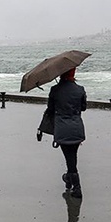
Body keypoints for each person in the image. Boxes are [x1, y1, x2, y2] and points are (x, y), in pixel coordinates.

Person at [45, 67, 86, 198]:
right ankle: (69, 180)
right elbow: (83, 107)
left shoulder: (55, 90)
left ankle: (77, 187)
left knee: (69, 157)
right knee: (72, 156)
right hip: (77, 128)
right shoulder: (80, 89)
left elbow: (50, 109)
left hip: (62, 128)